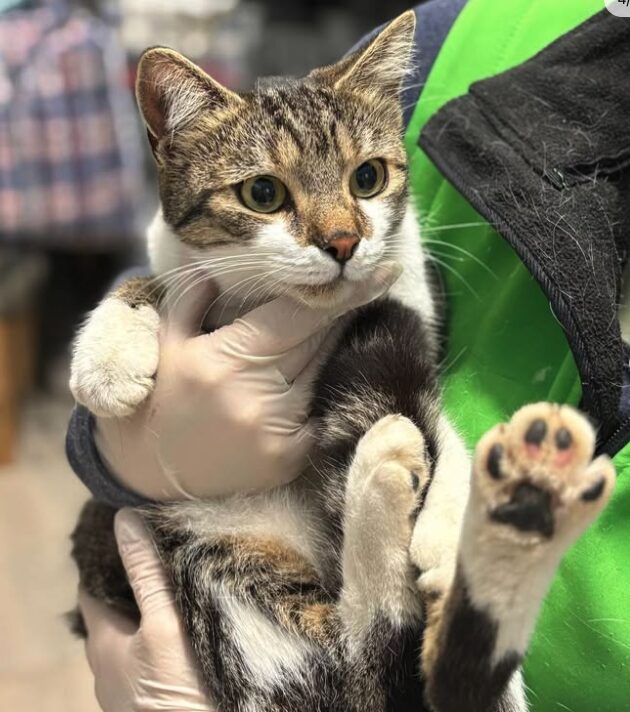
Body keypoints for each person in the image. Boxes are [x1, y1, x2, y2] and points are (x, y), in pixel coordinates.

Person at [71, 1, 630, 710]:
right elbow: (106, 407)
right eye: (266, 192)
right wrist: (129, 451)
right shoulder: (453, 33)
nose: (339, 234)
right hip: (262, 584)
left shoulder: (391, 267)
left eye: (366, 180)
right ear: (171, 143)